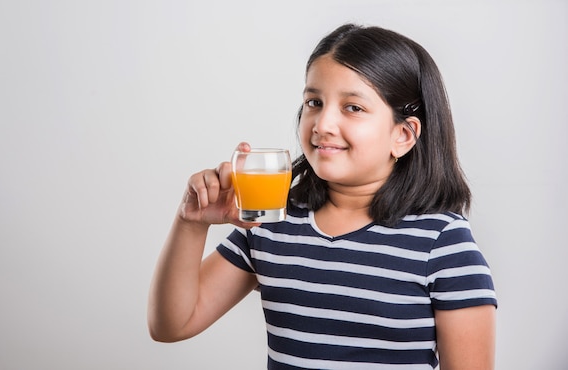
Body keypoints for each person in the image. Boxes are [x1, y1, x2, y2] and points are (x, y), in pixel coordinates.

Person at [148, 24, 497, 369]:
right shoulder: (271, 222)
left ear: (403, 135)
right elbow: (171, 326)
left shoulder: (442, 242)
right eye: (314, 102)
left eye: (353, 108)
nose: (322, 124)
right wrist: (191, 223)